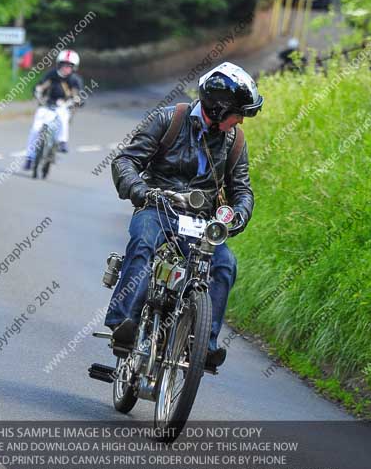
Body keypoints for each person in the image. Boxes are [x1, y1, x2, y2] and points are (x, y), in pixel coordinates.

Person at [105, 61, 263, 373]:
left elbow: (242, 189)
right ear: (218, 109)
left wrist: (239, 215)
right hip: (157, 206)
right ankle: (122, 322)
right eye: (238, 112)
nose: (241, 119)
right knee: (143, 242)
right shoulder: (168, 119)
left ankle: (204, 343)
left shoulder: (235, 141)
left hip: (202, 221)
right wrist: (140, 191)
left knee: (225, 264)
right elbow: (125, 161)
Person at [24, 50, 83, 169]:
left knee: (63, 118)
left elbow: (79, 95)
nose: (66, 68)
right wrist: (37, 91)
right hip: (46, 105)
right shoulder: (51, 74)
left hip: (63, 106)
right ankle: (29, 158)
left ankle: (63, 142)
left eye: (69, 66)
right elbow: (40, 85)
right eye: (63, 64)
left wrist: (76, 101)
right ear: (58, 64)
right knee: (35, 130)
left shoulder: (75, 80)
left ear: (74, 68)